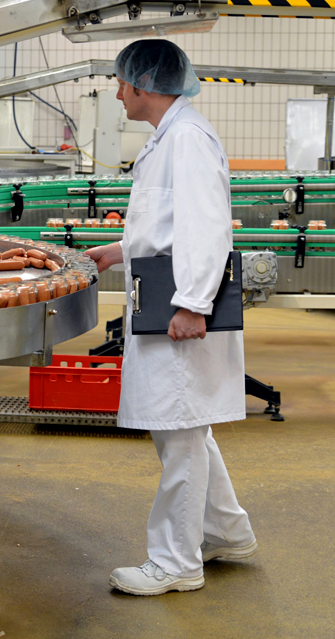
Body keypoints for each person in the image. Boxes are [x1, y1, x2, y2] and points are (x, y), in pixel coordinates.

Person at [85, 39, 257, 596]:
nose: (116, 92)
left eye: (120, 83)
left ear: (143, 86)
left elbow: (207, 226)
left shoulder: (186, 138)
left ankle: (176, 563)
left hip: (180, 308)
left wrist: (192, 304)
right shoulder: (170, 137)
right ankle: (225, 532)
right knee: (185, 428)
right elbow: (167, 223)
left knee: (180, 433)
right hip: (166, 294)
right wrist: (119, 250)